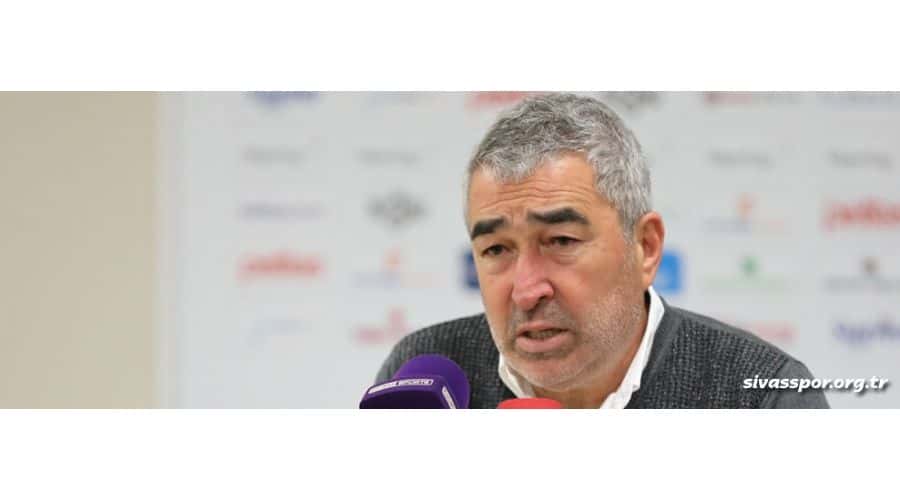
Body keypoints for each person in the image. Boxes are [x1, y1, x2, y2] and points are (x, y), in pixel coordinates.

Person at [375, 93, 828, 409]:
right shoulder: (423, 376)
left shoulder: (761, 395)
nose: (526, 290)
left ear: (645, 248)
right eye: (496, 249)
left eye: (561, 242)